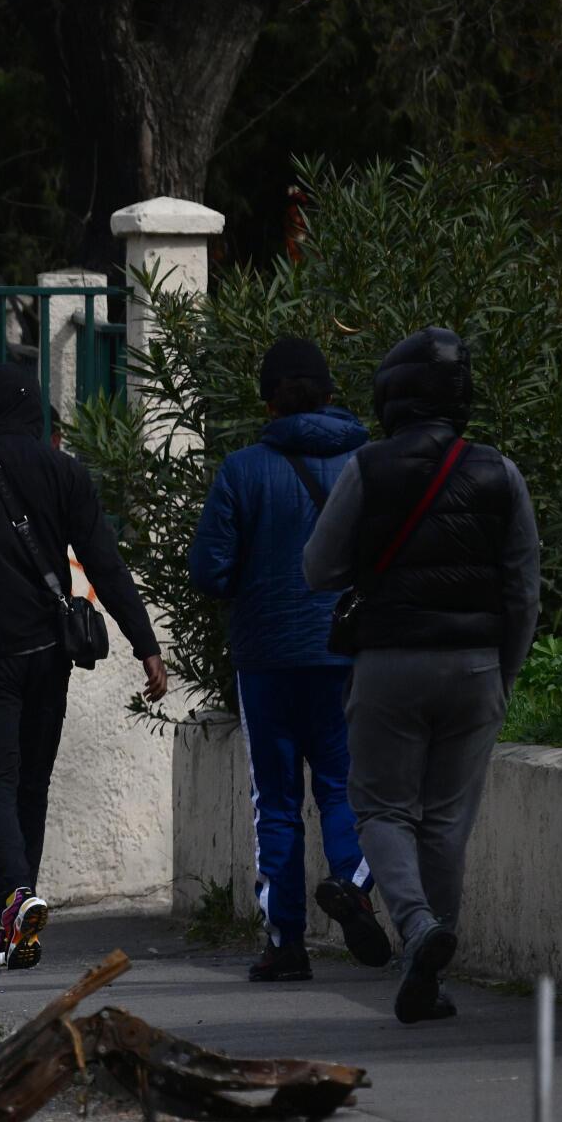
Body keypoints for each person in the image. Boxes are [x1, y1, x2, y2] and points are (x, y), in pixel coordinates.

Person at [304, 327, 540, 1025]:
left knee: (380, 810)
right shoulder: (500, 472)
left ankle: (415, 928)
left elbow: (317, 568)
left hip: (389, 665)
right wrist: (504, 674)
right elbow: (523, 590)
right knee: (445, 826)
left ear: (391, 397)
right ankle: (427, 976)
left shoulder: (368, 468)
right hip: (474, 669)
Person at [0, 363, 167, 971]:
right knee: (31, 783)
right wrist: (144, 642)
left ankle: (15, 898)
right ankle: (17, 917)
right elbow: (104, 560)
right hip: (52, 653)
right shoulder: (65, 471)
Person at [186, 339, 393, 983]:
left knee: (273, 801)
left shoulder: (244, 469)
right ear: (331, 393)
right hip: (346, 653)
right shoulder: (370, 463)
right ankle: (352, 884)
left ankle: (285, 943)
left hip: (267, 659)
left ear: (268, 399)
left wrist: (256, 581)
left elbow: (208, 570)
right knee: (342, 784)